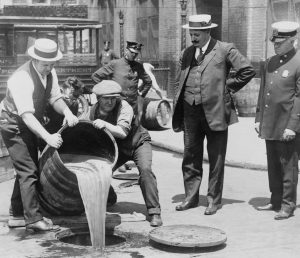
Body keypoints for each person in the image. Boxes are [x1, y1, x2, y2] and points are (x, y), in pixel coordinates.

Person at [172, 14, 255, 215]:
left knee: (216, 158)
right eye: (191, 33)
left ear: (208, 31)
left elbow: (247, 70)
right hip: (190, 111)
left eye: (197, 34)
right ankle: (190, 198)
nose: (193, 37)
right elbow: (179, 80)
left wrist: (226, 88)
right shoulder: (187, 52)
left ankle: (213, 200)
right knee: (190, 155)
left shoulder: (225, 49)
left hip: (216, 111)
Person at [0, 38, 79, 232]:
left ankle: (17, 215)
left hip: (27, 121)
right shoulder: (21, 78)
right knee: (28, 170)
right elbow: (26, 116)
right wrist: (48, 137)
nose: (48, 68)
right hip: (12, 122)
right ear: (34, 60)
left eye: (52, 64)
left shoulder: (50, 71)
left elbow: (55, 98)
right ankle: (33, 219)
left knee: (28, 168)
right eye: (45, 64)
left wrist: (67, 112)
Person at [87, 80, 163, 227]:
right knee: (101, 170)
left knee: (146, 171)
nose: (110, 102)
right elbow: (85, 125)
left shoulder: (124, 106)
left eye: (113, 98)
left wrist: (106, 124)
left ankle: (154, 212)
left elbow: (122, 132)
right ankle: (109, 197)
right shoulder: (93, 110)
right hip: (118, 148)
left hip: (138, 143)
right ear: (98, 98)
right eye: (106, 98)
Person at [255, 21, 300, 220]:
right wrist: (258, 118)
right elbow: (263, 92)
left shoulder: (299, 62)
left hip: (287, 124)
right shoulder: (270, 62)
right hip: (270, 122)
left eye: (281, 42)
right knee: (273, 163)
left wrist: (292, 126)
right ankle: (275, 200)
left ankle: (288, 205)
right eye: (275, 41)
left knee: (288, 166)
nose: (276, 45)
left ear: (293, 40)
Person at [91, 41, 153, 117]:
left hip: (132, 105)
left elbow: (148, 82)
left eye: (136, 53)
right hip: (116, 105)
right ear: (126, 51)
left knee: (133, 125)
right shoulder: (115, 64)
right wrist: (107, 91)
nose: (134, 55)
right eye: (132, 52)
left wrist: (142, 94)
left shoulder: (138, 66)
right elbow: (95, 76)